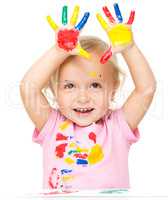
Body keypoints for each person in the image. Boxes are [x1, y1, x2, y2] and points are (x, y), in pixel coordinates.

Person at [19, 11, 156, 191]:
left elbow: (146, 89)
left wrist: (129, 48)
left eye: (95, 85)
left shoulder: (117, 126)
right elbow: (28, 88)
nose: (83, 98)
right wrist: (58, 51)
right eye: (69, 86)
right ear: (54, 91)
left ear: (113, 89)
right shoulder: (52, 126)